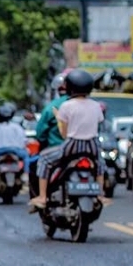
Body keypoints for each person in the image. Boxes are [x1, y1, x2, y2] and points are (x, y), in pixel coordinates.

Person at [29, 69, 104, 210]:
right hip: (92, 147)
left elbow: (62, 133)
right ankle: (100, 194)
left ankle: (42, 197)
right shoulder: (96, 105)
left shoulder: (64, 106)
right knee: (100, 165)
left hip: (71, 146)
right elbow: (99, 123)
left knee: (44, 160)